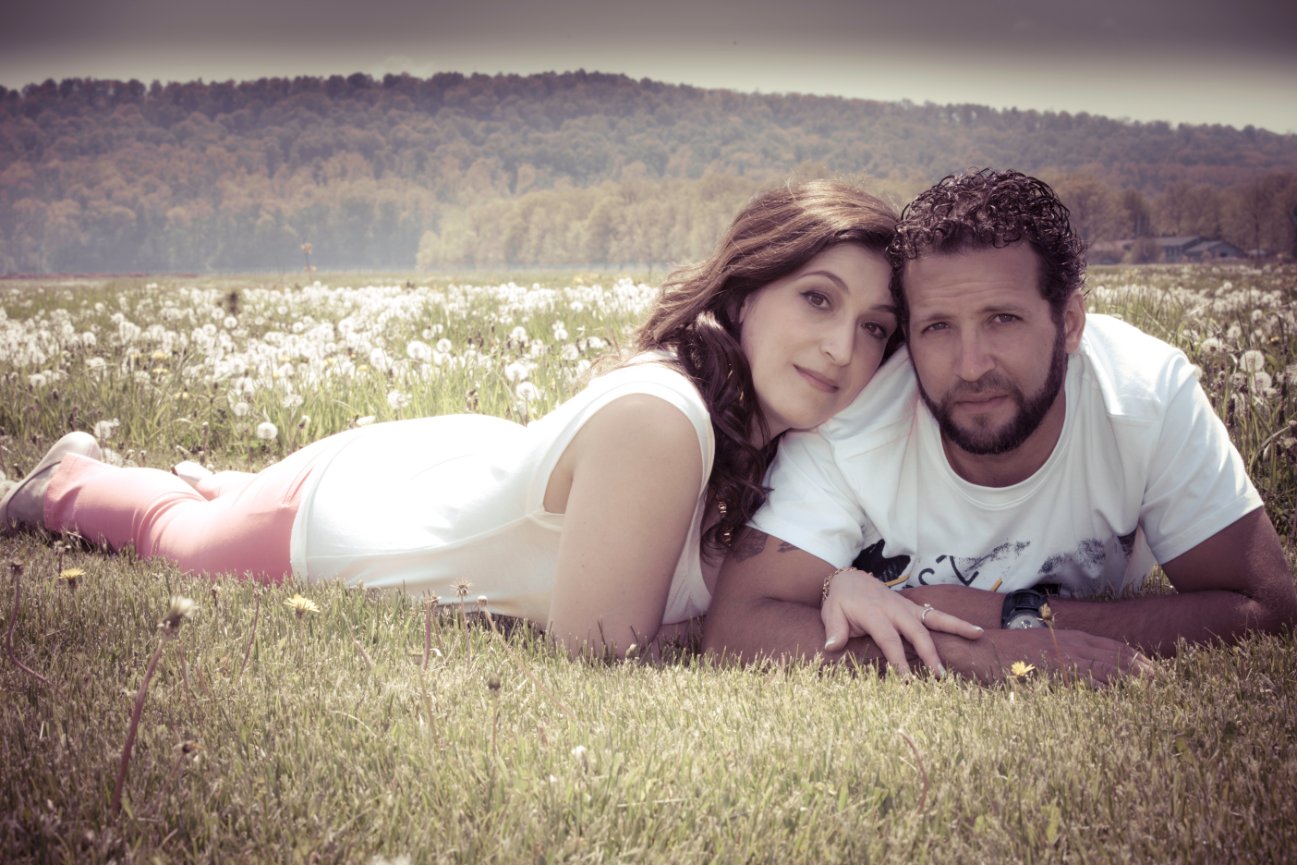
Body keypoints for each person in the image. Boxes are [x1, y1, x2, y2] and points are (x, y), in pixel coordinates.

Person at [1, 181, 966, 659]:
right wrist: (784, 605)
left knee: (222, 500)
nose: (842, 348)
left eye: (874, 328)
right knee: (174, 534)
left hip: (456, 468)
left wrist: (831, 576)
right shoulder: (662, 420)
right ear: (744, 294)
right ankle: (69, 479)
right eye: (817, 299)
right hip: (344, 519)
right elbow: (600, 647)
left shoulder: (783, 435)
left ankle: (226, 483)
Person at [702, 168, 1297, 682]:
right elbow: (736, 629)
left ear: (1069, 322)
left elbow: (1267, 608)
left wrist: (997, 612)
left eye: (1003, 319)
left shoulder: (1144, 395)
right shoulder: (850, 426)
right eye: (937, 327)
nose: (971, 366)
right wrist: (966, 651)